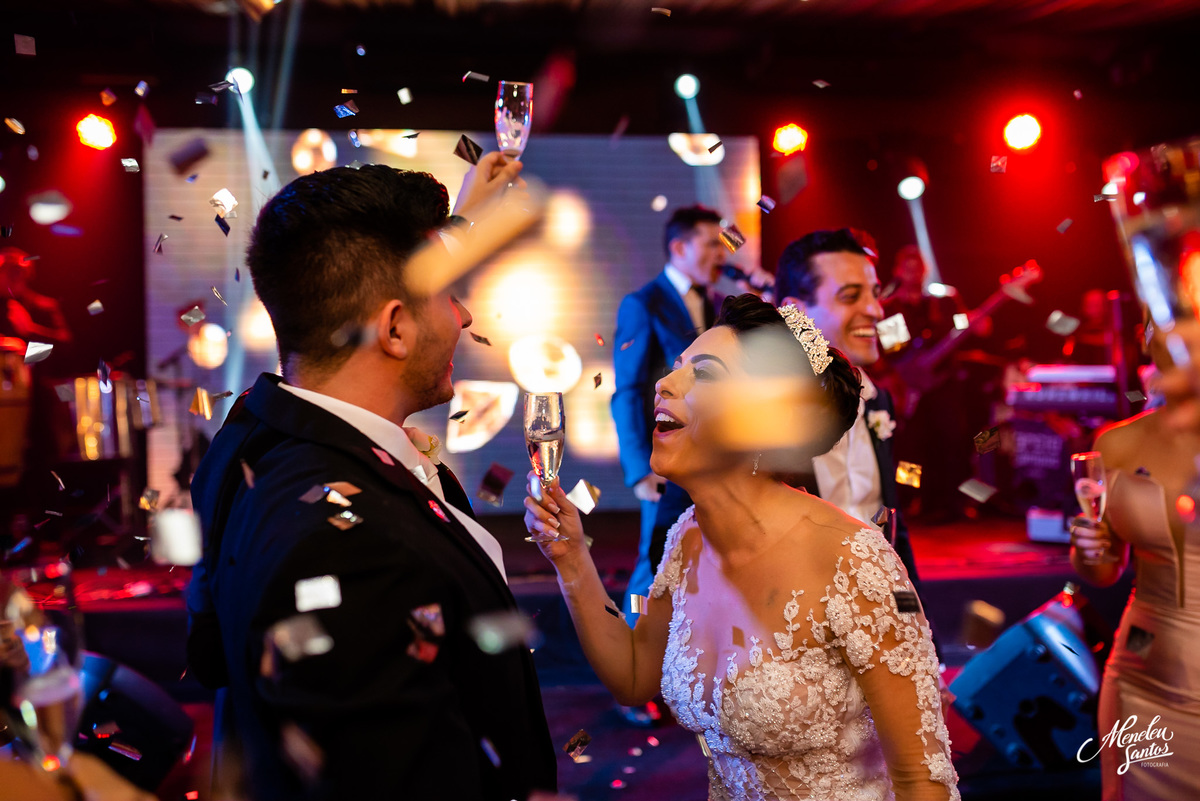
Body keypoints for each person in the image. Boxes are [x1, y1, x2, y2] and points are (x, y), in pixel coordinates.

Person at [185, 154, 557, 801]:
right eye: (447, 295)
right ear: (393, 327)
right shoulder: (353, 547)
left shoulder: (250, 435)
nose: (464, 316)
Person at [528, 294, 959, 801]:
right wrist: (572, 558)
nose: (664, 384)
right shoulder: (687, 539)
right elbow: (633, 676)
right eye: (676, 368)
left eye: (704, 374)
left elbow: (921, 780)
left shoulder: (851, 559)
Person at [1070, 324, 1200, 801]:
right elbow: (1104, 570)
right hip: (1146, 678)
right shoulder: (1117, 445)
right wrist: (1087, 551)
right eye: (1155, 322)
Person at [774, 229, 925, 597]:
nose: (876, 311)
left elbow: (893, 529)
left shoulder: (878, 401)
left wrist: (920, 631)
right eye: (850, 296)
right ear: (795, 314)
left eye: (874, 294)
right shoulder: (761, 412)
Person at [611, 205, 725, 625]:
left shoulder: (717, 304)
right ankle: (631, 653)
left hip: (712, 459)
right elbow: (628, 390)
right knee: (655, 560)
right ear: (679, 246)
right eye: (712, 243)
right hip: (665, 461)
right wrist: (642, 467)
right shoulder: (643, 303)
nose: (722, 253)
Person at [880, 245, 983, 523]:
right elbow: (894, 352)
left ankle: (953, 501)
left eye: (919, 267)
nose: (914, 273)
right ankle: (910, 500)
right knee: (910, 449)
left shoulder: (945, 301)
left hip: (944, 386)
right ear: (897, 271)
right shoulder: (890, 308)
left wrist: (978, 325)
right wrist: (910, 380)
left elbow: (965, 329)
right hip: (911, 389)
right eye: (908, 267)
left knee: (952, 442)